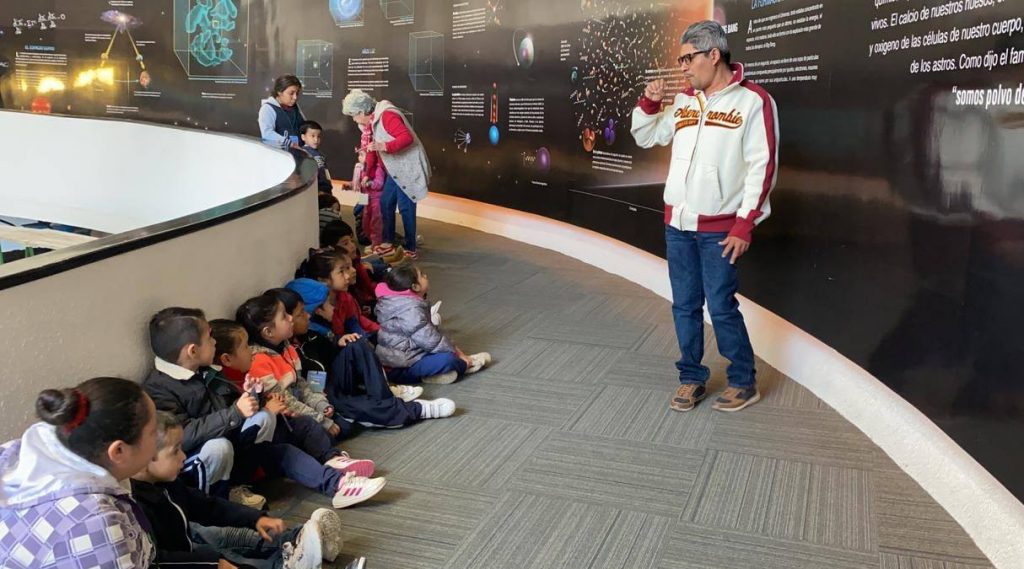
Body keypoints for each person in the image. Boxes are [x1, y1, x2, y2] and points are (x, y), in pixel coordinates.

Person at [630, 20, 779, 413]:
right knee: (684, 304)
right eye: (680, 59)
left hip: (720, 230)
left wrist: (745, 223)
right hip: (677, 226)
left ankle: (743, 381)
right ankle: (691, 377)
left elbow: (762, 166)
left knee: (721, 305)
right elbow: (647, 136)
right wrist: (649, 105)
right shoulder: (684, 101)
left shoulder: (753, 101)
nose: (682, 66)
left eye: (688, 58)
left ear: (714, 55)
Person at [130, 411, 344, 568]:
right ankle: (287, 562)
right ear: (147, 455)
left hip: (189, 540)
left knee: (226, 535)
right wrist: (213, 563)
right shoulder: (135, 508)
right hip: (184, 558)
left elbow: (208, 506)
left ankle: (297, 539)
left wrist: (256, 518)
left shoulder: (166, 483)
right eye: (175, 451)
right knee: (227, 555)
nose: (184, 457)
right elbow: (159, 560)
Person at [0, 377, 158, 568]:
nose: (158, 438)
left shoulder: (18, 452)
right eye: (153, 431)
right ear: (118, 451)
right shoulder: (96, 526)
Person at [143, 307, 275, 507]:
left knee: (264, 418)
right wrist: (235, 412)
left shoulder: (204, 370)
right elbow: (183, 435)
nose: (214, 342)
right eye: (209, 337)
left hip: (223, 438)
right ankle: (213, 505)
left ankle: (237, 486)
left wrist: (251, 394)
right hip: (192, 458)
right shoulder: (158, 388)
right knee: (218, 448)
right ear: (193, 351)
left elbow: (229, 406)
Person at [286, 277, 456, 423]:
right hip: (321, 396)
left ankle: (385, 395)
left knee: (357, 343)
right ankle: (417, 410)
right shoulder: (288, 349)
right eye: (301, 314)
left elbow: (333, 349)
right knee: (355, 411)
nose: (307, 316)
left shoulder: (312, 334)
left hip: (334, 383)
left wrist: (339, 341)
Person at [342, 88, 430, 260]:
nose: (354, 119)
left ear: (361, 112)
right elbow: (372, 151)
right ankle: (387, 242)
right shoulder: (370, 125)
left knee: (406, 208)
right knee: (386, 203)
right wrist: (367, 173)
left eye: (353, 115)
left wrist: (384, 146)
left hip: (406, 169)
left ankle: (410, 247)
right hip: (393, 170)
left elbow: (406, 138)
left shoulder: (387, 115)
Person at [375, 262, 491, 384]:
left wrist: (455, 349)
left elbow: (431, 334)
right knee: (448, 359)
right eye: (422, 275)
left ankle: (436, 374)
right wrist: (459, 355)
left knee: (446, 349)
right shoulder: (410, 310)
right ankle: (464, 365)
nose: (425, 276)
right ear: (415, 287)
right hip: (402, 366)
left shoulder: (403, 303)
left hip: (410, 355)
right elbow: (430, 340)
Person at [259, 75, 305, 148]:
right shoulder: (267, 108)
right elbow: (267, 134)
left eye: (297, 93)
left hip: (298, 151)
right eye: (291, 93)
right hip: (280, 153)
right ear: (279, 92)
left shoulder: (295, 106)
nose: (295, 97)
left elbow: (304, 127)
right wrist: (289, 143)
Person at [300, 120, 334, 193]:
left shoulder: (320, 154)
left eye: (318, 136)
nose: (316, 139)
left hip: (326, 188)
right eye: (312, 136)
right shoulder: (304, 153)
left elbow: (325, 172)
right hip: (316, 190)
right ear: (303, 137)